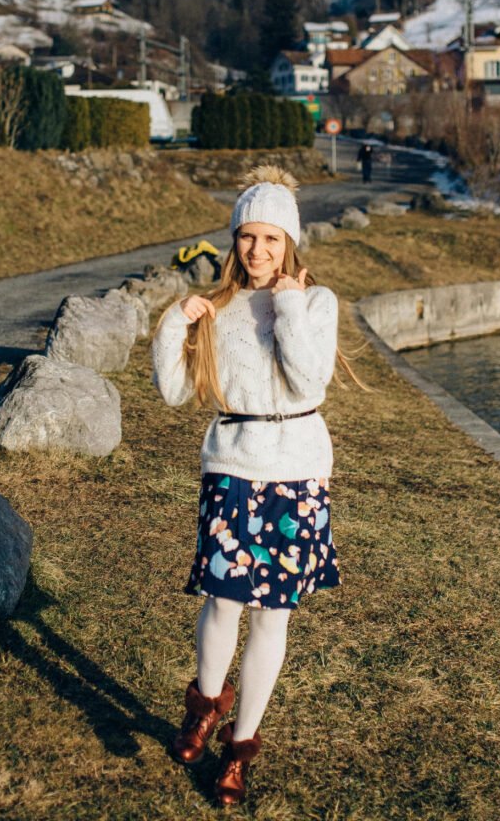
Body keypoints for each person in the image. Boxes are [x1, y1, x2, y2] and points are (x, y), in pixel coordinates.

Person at [152, 165, 361, 806]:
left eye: (272, 238)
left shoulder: (316, 303)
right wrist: (172, 325)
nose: (258, 250)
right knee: (221, 601)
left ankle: (240, 750)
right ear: (234, 240)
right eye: (248, 236)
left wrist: (291, 303)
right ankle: (205, 705)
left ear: (290, 242)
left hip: (295, 469)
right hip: (234, 467)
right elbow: (173, 391)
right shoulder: (218, 308)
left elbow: (308, 382)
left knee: (274, 615)